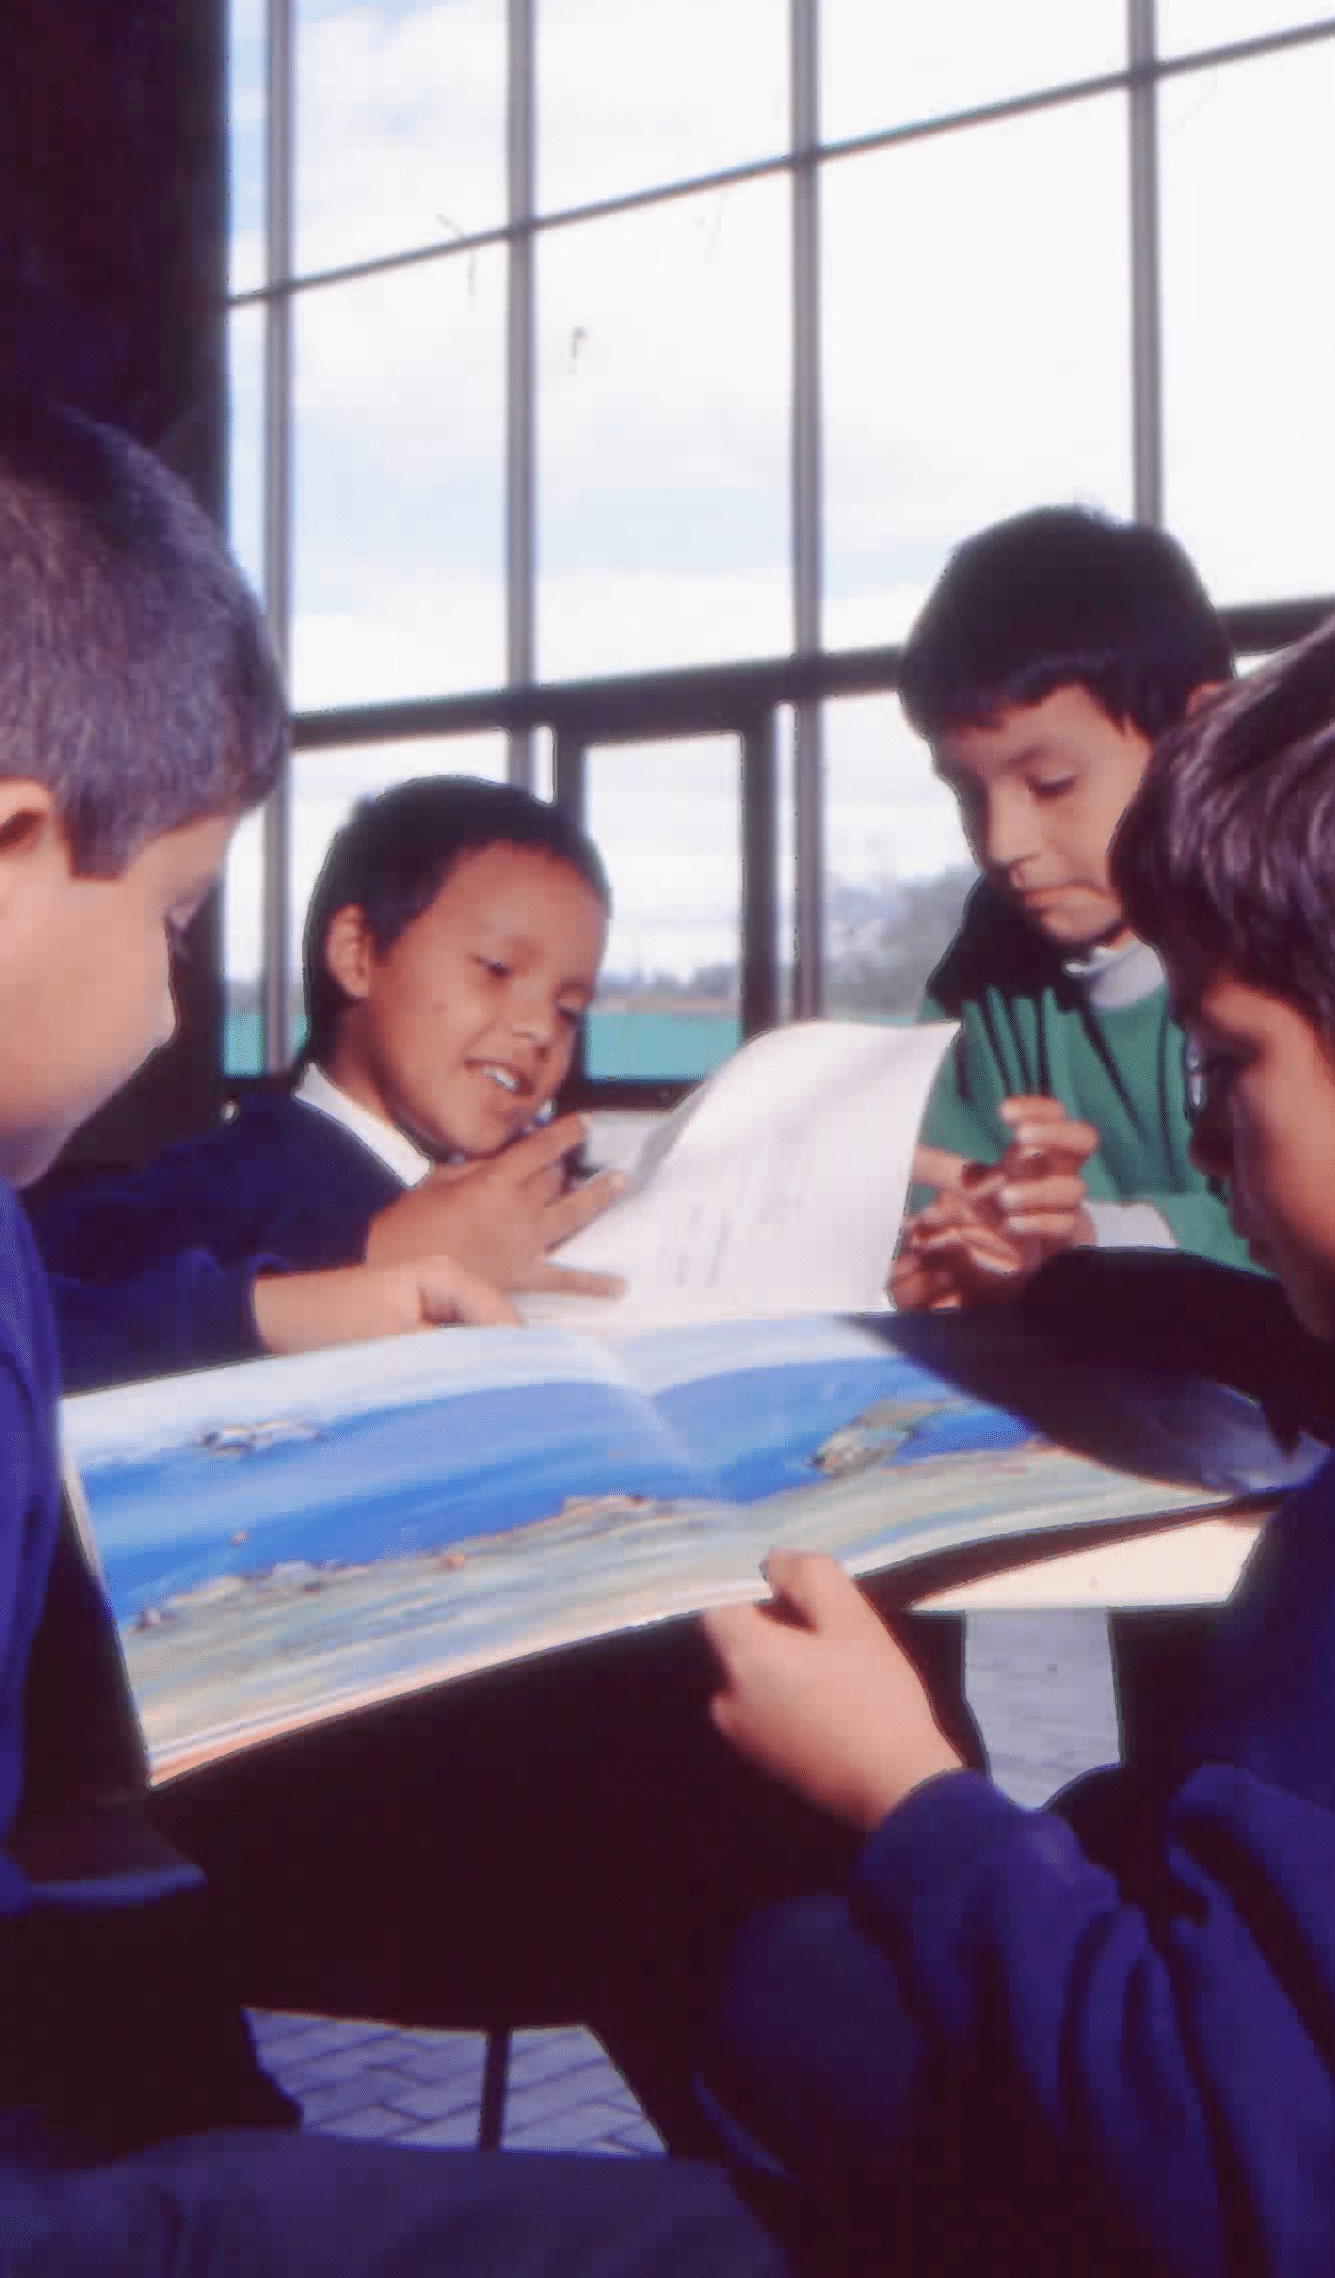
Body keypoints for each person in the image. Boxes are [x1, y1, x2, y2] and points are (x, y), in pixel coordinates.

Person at [696, 559, 1335, 2278]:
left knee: (781, 1989)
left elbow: (1259, 2188)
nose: (1219, 1142)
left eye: (1233, 1067)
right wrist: (1076, 1295)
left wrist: (909, 1793)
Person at [0, 409, 802, 2271]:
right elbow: (89, 1303)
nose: (538, 1030)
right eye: (182, 918)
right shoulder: (191, 1188)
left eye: (576, 1000)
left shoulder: (541, 1195)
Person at [31, 775, 627, 1392]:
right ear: (358, 954)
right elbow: (45, 1307)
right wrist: (370, 1251)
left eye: (569, 1009)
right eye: (497, 970)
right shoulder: (216, 1184)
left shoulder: (529, 1201)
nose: (539, 1028)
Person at [886, 505, 1251, 1313]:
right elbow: (928, 1188)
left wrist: (1088, 1238)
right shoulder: (992, 954)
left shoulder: (1289, 938)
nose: (1005, 842)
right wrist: (966, 1238)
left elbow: (1322, 1240)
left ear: (1198, 739)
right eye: (966, 793)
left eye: (1051, 784)